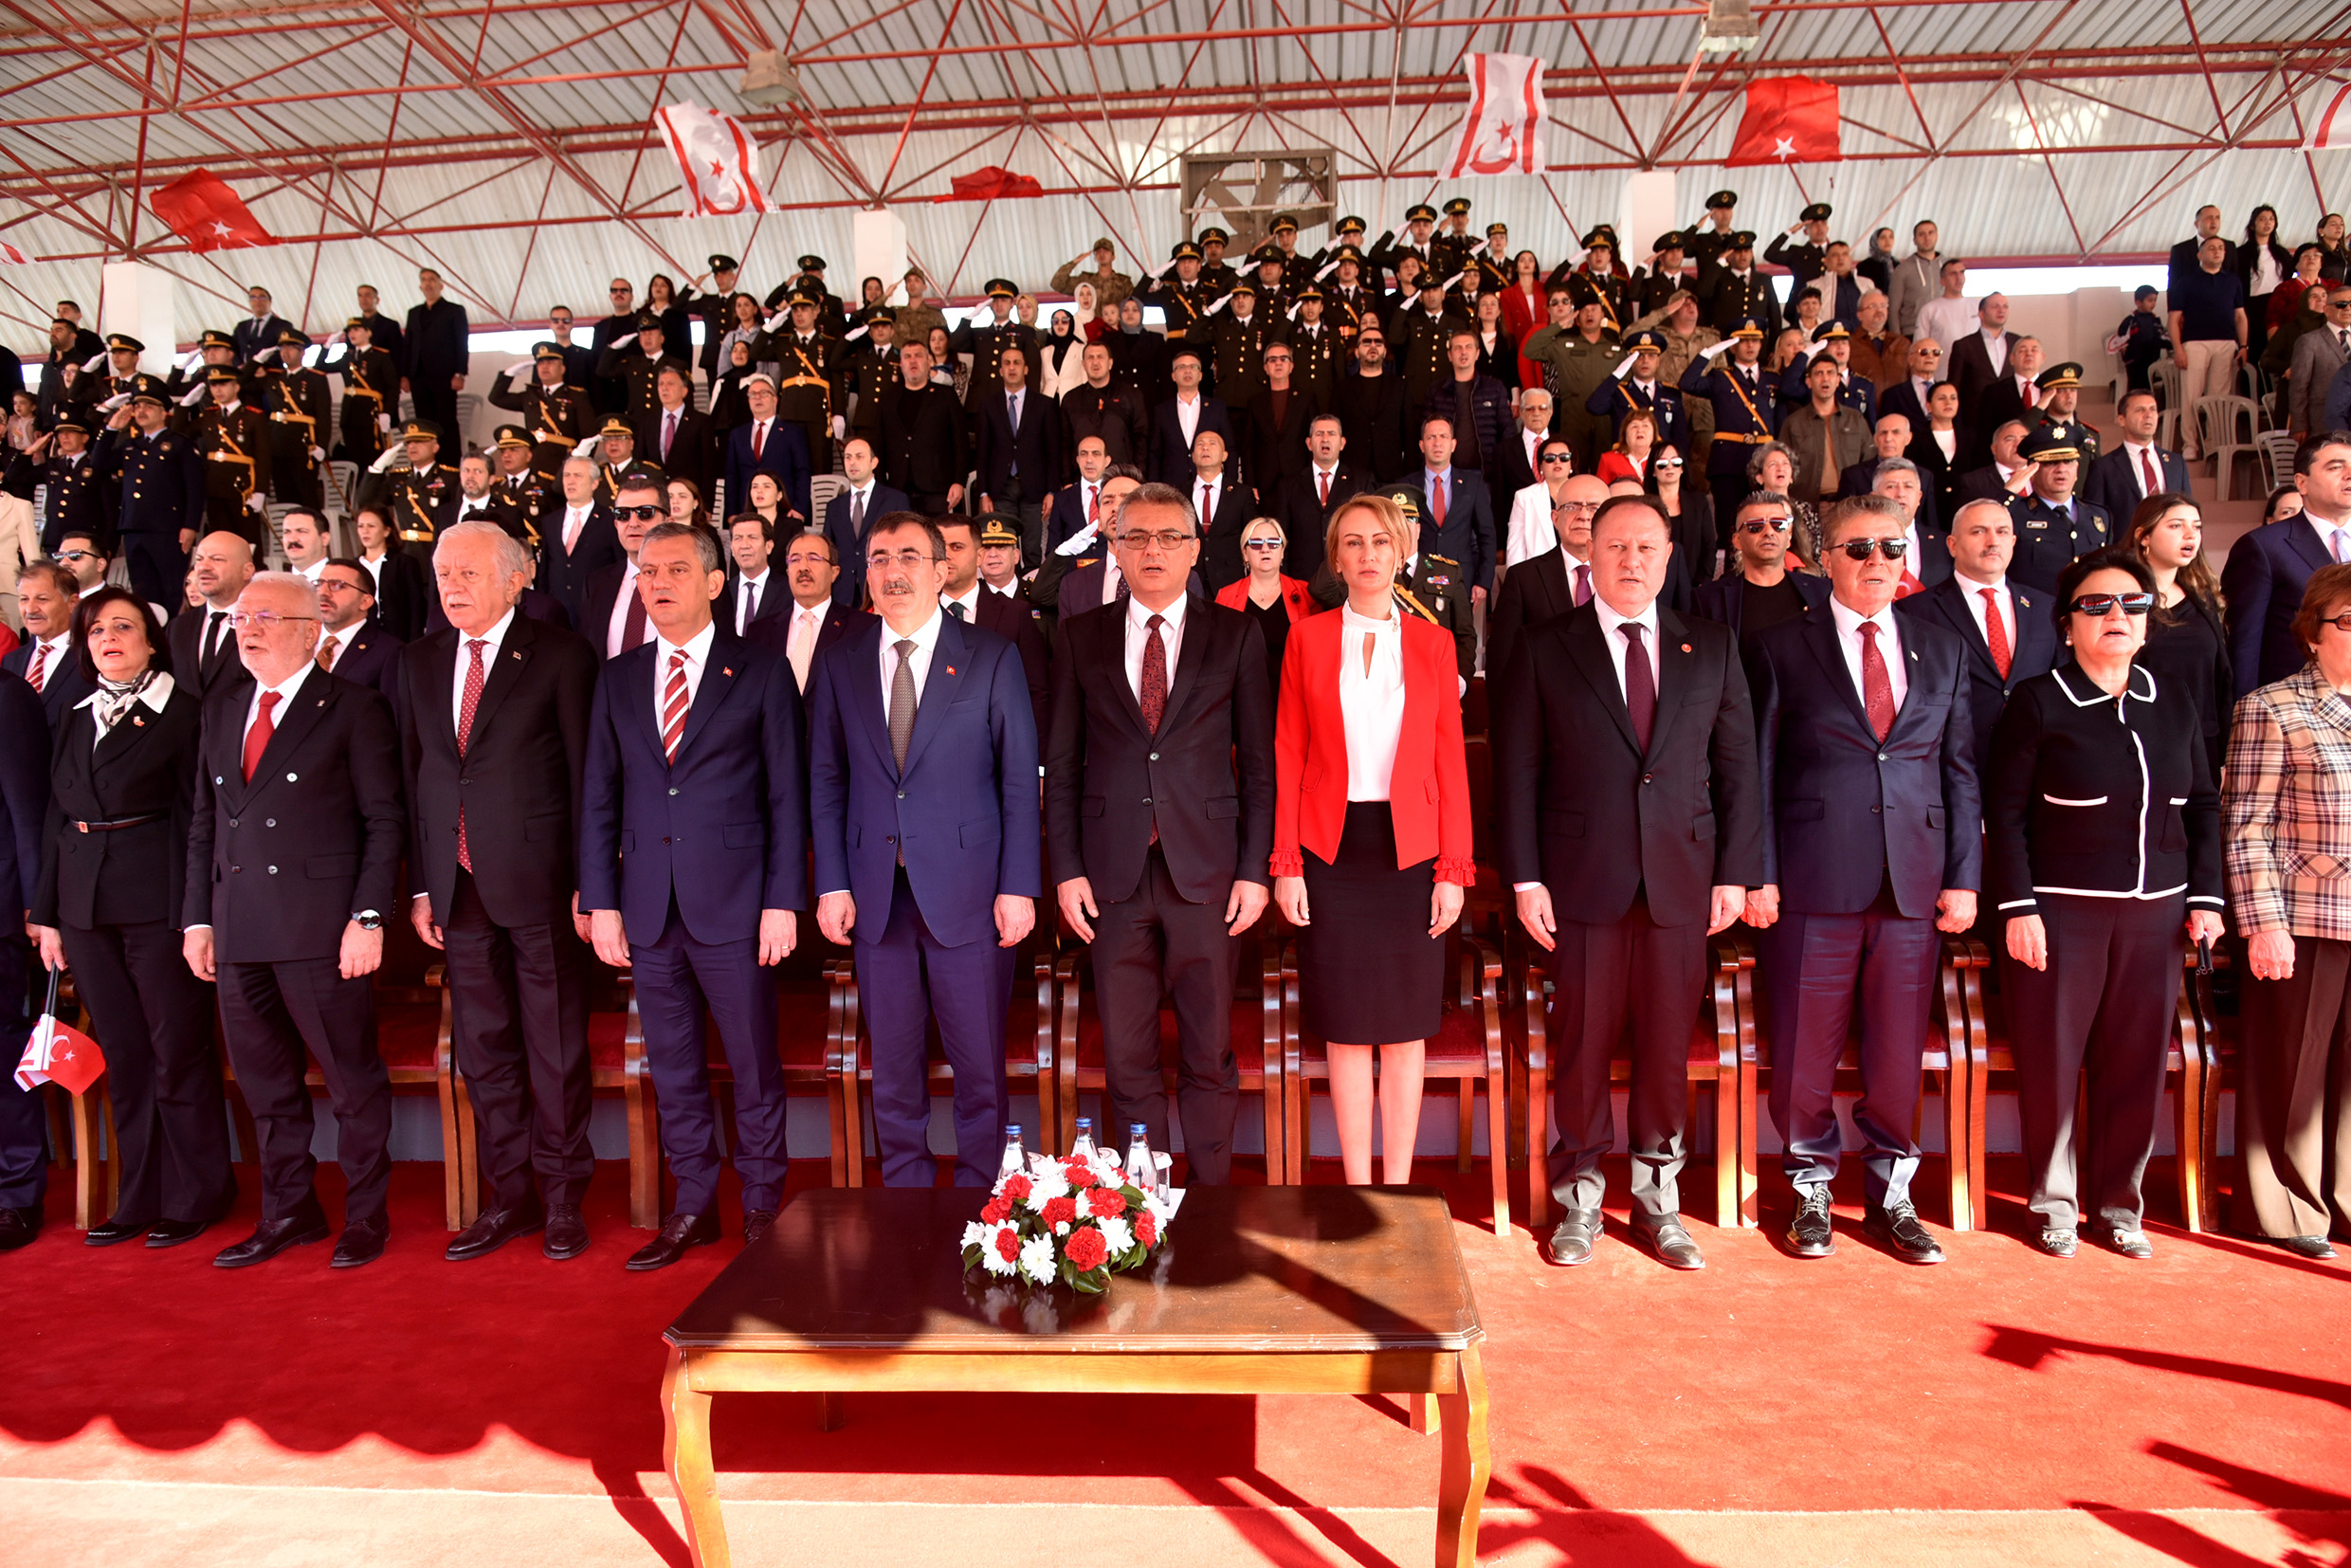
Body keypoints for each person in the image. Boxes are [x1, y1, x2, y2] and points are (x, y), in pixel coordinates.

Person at [1497, 494, 1761, 1268]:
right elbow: (1517, 774)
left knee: (1666, 1050)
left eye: (1647, 547)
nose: (1632, 560)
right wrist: (1526, 879)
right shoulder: (1547, 646)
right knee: (1581, 1048)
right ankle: (1578, 1199)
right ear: (1591, 554)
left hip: (1684, 881)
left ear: (1669, 556)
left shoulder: (1710, 646)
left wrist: (1737, 874)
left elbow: (1740, 768)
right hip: (1581, 884)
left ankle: (1657, 1200)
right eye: (1616, 546)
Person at [1744, 494, 1981, 1265]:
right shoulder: (1779, 646)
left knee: (1897, 1052)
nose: (1876, 561)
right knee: (1805, 1048)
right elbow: (1756, 771)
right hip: (1812, 880)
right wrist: (1759, 874)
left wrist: (1965, 877)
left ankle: (1891, 1194)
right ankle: (1810, 1186)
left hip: (1915, 883)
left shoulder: (1942, 647)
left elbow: (1959, 770)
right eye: (1858, 548)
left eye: (1891, 547)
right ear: (1824, 560)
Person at [579, 521, 807, 1267]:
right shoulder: (618, 677)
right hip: (647, 909)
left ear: (714, 582)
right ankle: (694, 1207)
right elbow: (599, 798)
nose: (659, 583)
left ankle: (763, 1204)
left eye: (676, 569)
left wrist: (783, 900)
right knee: (673, 1069)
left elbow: (788, 795)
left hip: (738, 907)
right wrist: (601, 900)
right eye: (648, 571)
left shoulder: (761, 670)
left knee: (752, 1066)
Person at [1988, 549, 2226, 1258]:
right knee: (2054, 1062)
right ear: (2067, 624)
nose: (2116, 615)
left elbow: (2203, 804)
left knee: (2136, 1063)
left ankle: (2120, 1206)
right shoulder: (2037, 701)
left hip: (2158, 912)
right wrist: (2018, 908)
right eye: (2096, 605)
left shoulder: (2172, 697)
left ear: (2148, 620)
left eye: (2132, 603)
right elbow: (2004, 816)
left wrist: (2206, 897)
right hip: (2061, 913)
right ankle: (2054, 1205)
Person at [1046, 485, 1274, 1183]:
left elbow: (1259, 765)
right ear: (1113, 548)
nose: (1153, 550)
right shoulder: (1079, 636)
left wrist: (1254, 870)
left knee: (1209, 1049)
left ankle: (1211, 1201)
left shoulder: (1236, 634)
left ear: (1195, 549)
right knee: (1128, 1055)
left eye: (1169, 536)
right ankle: (1143, 1204)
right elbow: (1062, 762)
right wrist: (1066, 868)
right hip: (1109, 874)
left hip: (1208, 872)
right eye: (1136, 536)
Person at [809, 513, 1039, 1186]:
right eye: (879, 558)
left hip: (971, 895)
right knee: (893, 1066)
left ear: (942, 571)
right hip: (875, 895)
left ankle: (980, 1207)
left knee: (978, 1066)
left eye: (909, 556)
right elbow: (826, 778)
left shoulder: (990, 655)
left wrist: (1018, 886)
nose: (893, 570)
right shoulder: (842, 659)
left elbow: (1018, 779)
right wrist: (832, 883)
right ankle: (904, 1199)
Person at [186, 572, 404, 1270]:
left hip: (322, 929)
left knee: (350, 1083)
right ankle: (289, 1211)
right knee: (266, 1086)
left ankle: (366, 1215)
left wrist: (368, 917)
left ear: (311, 631)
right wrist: (197, 921)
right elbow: (204, 824)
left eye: (265, 617)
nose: (246, 629)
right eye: (240, 618)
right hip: (238, 926)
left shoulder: (353, 707)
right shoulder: (223, 708)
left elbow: (384, 822)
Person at [402, 521, 601, 1264]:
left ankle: (563, 1196)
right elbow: (416, 776)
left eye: (469, 573)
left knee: (554, 1048)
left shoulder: (561, 655)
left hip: (542, 885)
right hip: (456, 888)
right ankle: (509, 1197)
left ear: (516, 580)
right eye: (443, 573)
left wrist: (589, 883)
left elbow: (585, 777)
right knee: (484, 1053)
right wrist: (422, 885)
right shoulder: (419, 660)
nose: (452, 586)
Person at [1269, 493, 1472, 1185]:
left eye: (1381, 541)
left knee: (1407, 1029)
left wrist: (1453, 869)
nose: (1368, 555)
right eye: (1353, 542)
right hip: (1330, 850)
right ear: (1335, 558)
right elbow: (1288, 752)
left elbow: (1450, 762)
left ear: (1402, 551)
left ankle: (1398, 1189)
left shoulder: (1434, 643)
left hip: (1412, 851)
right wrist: (1287, 861)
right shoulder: (1306, 638)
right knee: (1347, 1027)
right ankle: (1357, 1186)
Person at [27, 587, 233, 1249]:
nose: (109, 639)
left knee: (177, 1050)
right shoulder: (75, 714)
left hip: (159, 901)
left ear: (151, 640)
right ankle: (138, 1195)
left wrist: (197, 914)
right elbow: (56, 817)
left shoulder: (185, 712)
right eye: (96, 631)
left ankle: (197, 1193)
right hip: (84, 908)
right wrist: (48, 915)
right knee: (125, 1054)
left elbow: (200, 822)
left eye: (123, 627)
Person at [2225, 561, 2351, 1256]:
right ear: (2313, 632)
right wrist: (2264, 923)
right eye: (2349, 621)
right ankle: (2285, 1208)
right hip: (2303, 917)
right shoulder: (2271, 707)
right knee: (2292, 1069)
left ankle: (2347, 1199)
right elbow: (2246, 827)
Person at [1895, 497, 2058, 769]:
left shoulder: (2045, 607)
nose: (1993, 541)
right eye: (1978, 531)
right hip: (1954, 764)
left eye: (2002, 532)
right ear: (1952, 545)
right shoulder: (1914, 611)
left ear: (2013, 542)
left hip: (2035, 763)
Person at [2224, 432, 2351, 698]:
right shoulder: (2263, 547)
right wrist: (2244, 710)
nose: (2349, 475)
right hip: (2295, 704)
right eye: (2336, 467)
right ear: (2301, 483)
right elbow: (2245, 646)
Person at [2128, 493, 2233, 782]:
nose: (2190, 534)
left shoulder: (2204, 597)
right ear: (2144, 536)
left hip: (2202, 742)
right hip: (2142, 743)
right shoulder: (2123, 598)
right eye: (2176, 525)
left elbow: (2219, 678)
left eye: (2196, 526)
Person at [0, 666, 45, 1252]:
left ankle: (15, 1195)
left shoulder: (7, 697)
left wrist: (37, 905)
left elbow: (27, 810)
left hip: (1, 909)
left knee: (2, 1057)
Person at [1489, 473, 1605, 682]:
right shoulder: (1524, 578)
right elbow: (1501, 661)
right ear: (1555, 519)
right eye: (1572, 507)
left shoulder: (1625, 577)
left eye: (1594, 508)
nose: (1583, 515)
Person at [1690, 490, 1831, 649]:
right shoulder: (1709, 600)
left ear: (1789, 536)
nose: (1769, 532)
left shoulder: (1822, 592)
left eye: (1778, 525)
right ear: (1737, 540)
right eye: (1756, 526)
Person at [974, 344, 1060, 564]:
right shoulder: (988, 405)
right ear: (1001, 370)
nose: (1012, 367)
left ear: (1026, 369)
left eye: (1017, 363)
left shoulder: (1044, 404)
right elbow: (982, 452)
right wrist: (983, 492)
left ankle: (1030, 585)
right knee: (1003, 546)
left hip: (1034, 488)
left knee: (1032, 549)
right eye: (1007, 363)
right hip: (1001, 488)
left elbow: (1053, 451)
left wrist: (1052, 491)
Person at [2004, 425, 2110, 593]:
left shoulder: (2099, 516)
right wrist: (2007, 494)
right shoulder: (2013, 514)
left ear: (2077, 468)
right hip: (2037, 608)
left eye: (2068, 461)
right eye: (2051, 462)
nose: (2061, 469)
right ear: (2033, 470)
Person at [2171, 235, 2251, 461]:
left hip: (2226, 343)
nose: (2217, 252)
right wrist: (2178, 349)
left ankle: (2214, 444)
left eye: (2221, 248)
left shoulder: (2233, 281)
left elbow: (2240, 316)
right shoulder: (2186, 282)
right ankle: (2190, 445)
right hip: (2194, 343)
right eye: (2211, 248)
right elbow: (2173, 319)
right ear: (2200, 254)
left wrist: (2244, 345)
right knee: (2191, 396)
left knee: (2219, 398)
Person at [1217, 516, 1313, 692]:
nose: (1265, 549)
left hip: (1293, 693)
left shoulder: (1305, 593)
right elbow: (1219, 657)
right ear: (1245, 553)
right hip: (1243, 695)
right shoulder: (1226, 596)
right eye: (1256, 544)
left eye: (1274, 543)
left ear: (1282, 551)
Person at [877, 343, 968, 514]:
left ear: (929, 362)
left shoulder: (946, 396)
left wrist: (959, 481)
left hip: (938, 490)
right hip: (898, 490)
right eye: (907, 356)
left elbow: (960, 442)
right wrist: (881, 488)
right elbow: (879, 446)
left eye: (918, 355)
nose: (913, 361)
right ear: (901, 364)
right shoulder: (888, 398)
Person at [6, 559, 91, 733]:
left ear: (73, 603)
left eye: (42, 599)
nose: (30, 609)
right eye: (24, 599)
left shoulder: (91, 656)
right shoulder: (11, 660)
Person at [822, 438, 907, 610]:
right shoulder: (834, 506)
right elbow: (828, 550)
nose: (852, 462)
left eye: (859, 456)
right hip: (843, 592)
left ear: (874, 462)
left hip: (882, 587)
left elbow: (906, 545)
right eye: (848, 457)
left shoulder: (895, 500)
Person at [724, 374, 814, 525]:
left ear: (775, 400)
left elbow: (802, 472)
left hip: (785, 510)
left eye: (764, 393)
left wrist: (799, 508)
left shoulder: (792, 432)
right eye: (752, 394)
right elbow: (732, 476)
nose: (757, 397)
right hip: (746, 510)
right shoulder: (737, 435)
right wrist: (732, 512)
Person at [312, 558, 403, 699]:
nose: (323, 592)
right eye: (319, 584)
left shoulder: (390, 652)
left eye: (337, 585)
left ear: (365, 602)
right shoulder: (299, 642)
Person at [402, 268, 470, 435]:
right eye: (424, 280)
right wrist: (404, 375)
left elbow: (462, 343)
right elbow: (408, 345)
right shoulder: (414, 313)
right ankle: (427, 453)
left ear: (441, 285)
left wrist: (460, 373)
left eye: (432, 279)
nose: (428, 283)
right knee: (423, 422)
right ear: (420, 286)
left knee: (447, 420)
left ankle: (450, 453)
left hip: (444, 376)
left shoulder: (454, 310)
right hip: (418, 376)